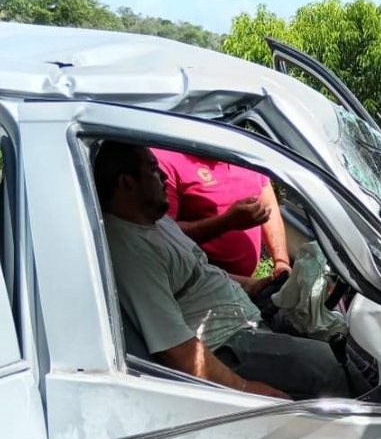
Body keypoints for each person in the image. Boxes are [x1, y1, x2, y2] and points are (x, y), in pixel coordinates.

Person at [94, 142, 347, 401]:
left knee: (336, 335)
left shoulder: (156, 223)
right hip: (225, 344)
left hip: (241, 314)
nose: (164, 177)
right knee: (326, 366)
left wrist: (251, 285)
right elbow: (175, 347)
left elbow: (196, 271)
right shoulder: (131, 251)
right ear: (126, 183)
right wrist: (242, 388)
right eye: (152, 170)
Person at [151, 149, 291, 277]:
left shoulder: (244, 149)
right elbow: (162, 234)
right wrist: (226, 223)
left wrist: (281, 262)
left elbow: (268, 206)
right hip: (201, 286)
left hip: (248, 284)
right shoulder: (165, 158)